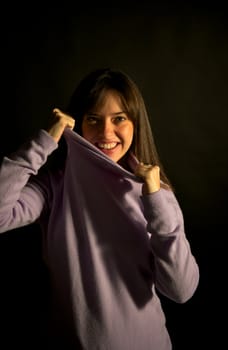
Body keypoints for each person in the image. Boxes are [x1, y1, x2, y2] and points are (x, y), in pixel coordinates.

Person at [0, 68, 199, 349]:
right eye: (94, 119)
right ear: (78, 123)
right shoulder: (53, 186)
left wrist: (155, 197)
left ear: (135, 124)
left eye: (119, 119)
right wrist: (46, 140)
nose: (106, 132)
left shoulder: (155, 194)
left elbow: (181, 290)